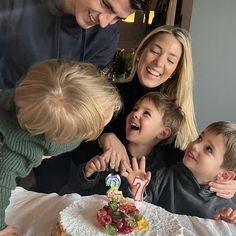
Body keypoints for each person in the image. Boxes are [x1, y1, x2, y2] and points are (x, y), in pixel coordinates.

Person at [95, 25, 236, 197]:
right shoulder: (108, 93)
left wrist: (228, 185)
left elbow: (199, 172)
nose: (159, 63)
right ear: (140, 53)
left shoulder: (175, 116)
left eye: (170, 60)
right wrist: (106, 137)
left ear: (174, 71)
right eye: (154, 51)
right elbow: (74, 138)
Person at [0, 59, 121, 233]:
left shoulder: (36, 90)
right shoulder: (16, 153)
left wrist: (106, 136)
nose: (115, 109)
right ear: (57, 138)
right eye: (100, 124)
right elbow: (2, 184)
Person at [0, 0, 147, 88]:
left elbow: (78, 97)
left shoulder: (106, 38)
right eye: (105, 4)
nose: (104, 22)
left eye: (117, 18)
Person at [66, 92, 184, 196]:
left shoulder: (160, 169)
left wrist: (136, 190)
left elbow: (148, 207)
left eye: (146, 113)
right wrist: (88, 172)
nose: (136, 114)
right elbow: (77, 188)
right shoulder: (111, 151)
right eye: (135, 109)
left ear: (163, 133)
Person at [122, 121, 236, 222]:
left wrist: (225, 228)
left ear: (225, 176)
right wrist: (137, 190)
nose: (196, 145)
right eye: (200, 138)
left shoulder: (226, 211)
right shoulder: (164, 177)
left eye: (208, 149)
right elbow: (139, 212)